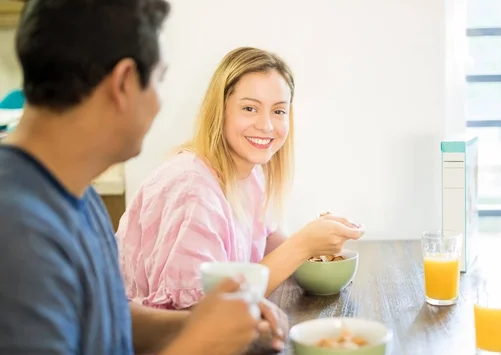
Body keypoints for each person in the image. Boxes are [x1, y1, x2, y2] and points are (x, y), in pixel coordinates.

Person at [0, 0, 284, 355]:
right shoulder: (18, 230)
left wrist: (198, 323)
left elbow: (106, 316)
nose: (159, 104)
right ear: (124, 82)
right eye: (159, 82)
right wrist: (199, 347)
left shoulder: (75, 194)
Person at [116, 47, 365, 314]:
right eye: (249, 108)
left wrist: (319, 240)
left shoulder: (251, 174)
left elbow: (271, 245)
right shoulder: (192, 186)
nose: (266, 125)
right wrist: (302, 244)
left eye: (278, 111)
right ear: (219, 110)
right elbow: (201, 315)